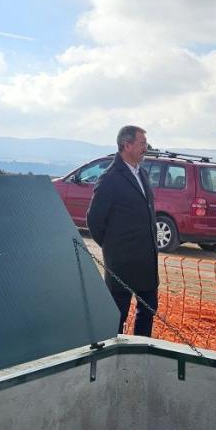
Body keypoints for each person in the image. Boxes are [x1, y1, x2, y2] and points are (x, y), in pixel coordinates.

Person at [87, 125, 159, 337]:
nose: (146, 148)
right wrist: (113, 247)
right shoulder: (111, 178)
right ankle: (112, 362)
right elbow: (94, 220)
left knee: (148, 310)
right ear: (126, 145)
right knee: (117, 316)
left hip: (147, 261)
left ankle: (141, 356)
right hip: (122, 263)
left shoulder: (141, 173)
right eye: (142, 144)